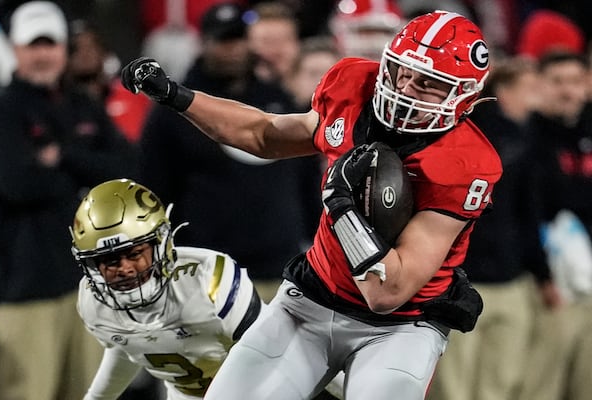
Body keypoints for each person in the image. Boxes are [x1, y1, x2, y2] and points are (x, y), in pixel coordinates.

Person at [121, 10, 502, 400]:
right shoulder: (354, 85)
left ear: (463, 98)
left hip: (400, 326)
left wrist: (343, 209)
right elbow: (263, 134)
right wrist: (177, 97)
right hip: (312, 301)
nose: (406, 88)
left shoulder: (464, 164)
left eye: (428, 84)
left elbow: (388, 293)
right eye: (402, 72)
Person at [0, 2, 138, 400]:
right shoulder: (1, 108)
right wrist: (85, 178)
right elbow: (15, 182)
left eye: (50, 45)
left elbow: (127, 173)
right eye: (33, 45)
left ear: (63, 50)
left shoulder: (82, 105)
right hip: (23, 289)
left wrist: (64, 156)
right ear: (17, 49)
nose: (42, 55)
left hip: (89, 289)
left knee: (91, 394)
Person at [139, 2, 322, 303]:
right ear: (204, 43)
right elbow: (155, 190)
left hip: (282, 268)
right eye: (224, 40)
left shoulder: (277, 98)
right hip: (208, 273)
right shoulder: (174, 110)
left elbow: (303, 178)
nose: (233, 49)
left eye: (238, 39)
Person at [71, 178, 264, 399]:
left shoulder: (209, 279)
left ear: (161, 243)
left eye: (134, 254)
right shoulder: (92, 302)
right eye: (109, 260)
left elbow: (270, 351)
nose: (124, 269)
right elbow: (128, 347)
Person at [425, 56, 548, 400]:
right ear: (504, 92)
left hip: (503, 277)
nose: (536, 96)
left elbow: (528, 214)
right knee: (462, 383)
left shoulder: (527, 138)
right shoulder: (471, 139)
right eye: (530, 88)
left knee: (495, 379)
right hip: (467, 277)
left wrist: (540, 272)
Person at [516, 51, 592, 400]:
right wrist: (543, 277)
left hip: (588, 280)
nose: (567, 91)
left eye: (575, 81)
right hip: (550, 285)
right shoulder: (525, 139)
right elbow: (524, 213)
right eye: (558, 81)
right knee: (541, 385)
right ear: (540, 85)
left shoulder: (587, 132)